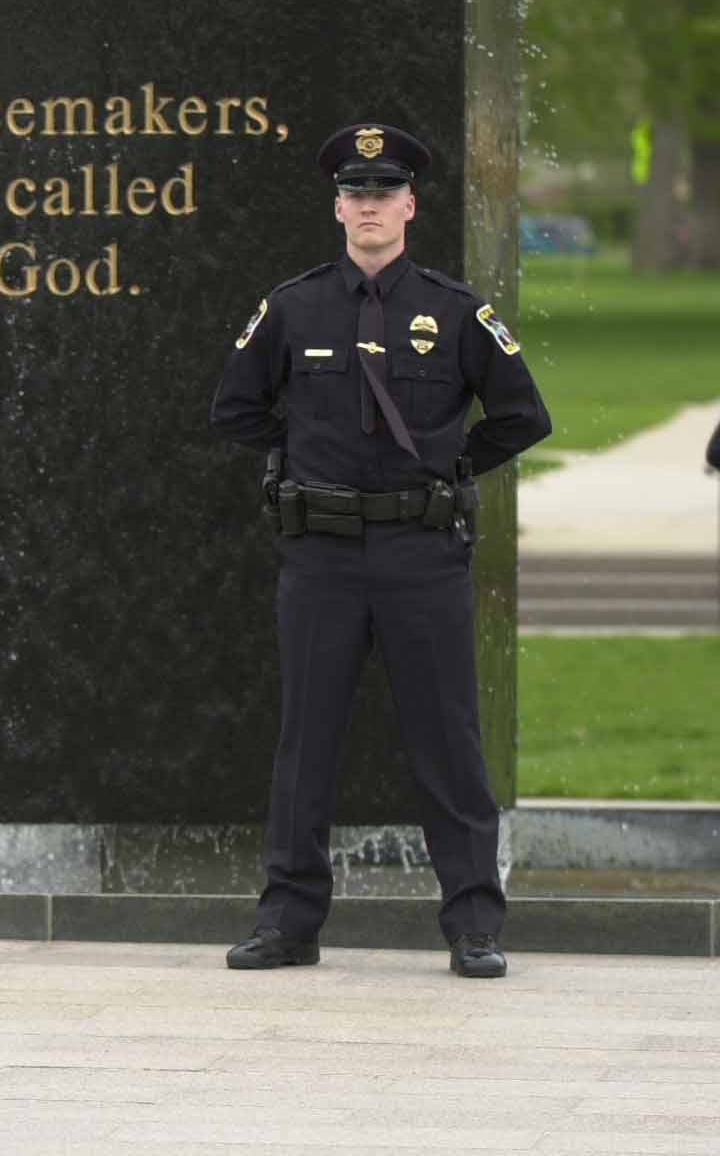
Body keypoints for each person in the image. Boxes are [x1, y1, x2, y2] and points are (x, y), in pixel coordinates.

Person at [210, 122, 551, 979]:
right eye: (355, 193)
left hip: (419, 552)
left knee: (448, 742)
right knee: (306, 742)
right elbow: (235, 407)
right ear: (337, 208)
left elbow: (523, 415)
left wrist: (452, 464)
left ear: (409, 206)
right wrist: (303, 452)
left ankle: (474, 925)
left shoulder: (455, 310)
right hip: (321, 554)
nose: (370, 206)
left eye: (384, 193)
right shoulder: (293, 307)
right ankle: (288, 923)